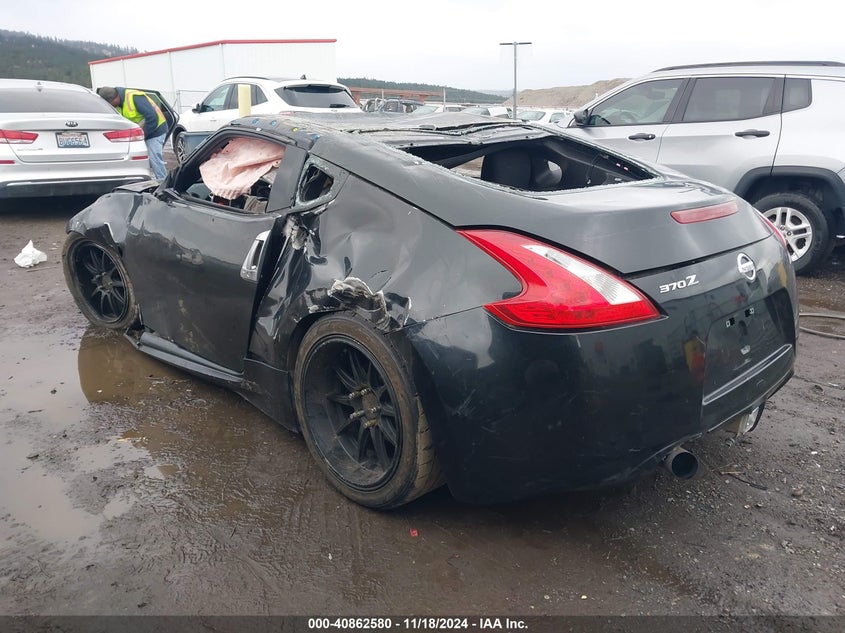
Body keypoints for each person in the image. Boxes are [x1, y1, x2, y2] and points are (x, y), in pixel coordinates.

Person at [97, 86, 169, 180]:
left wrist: (141, 136)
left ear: (114, 98)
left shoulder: (134, 97)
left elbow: (152, 118)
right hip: (139, 133)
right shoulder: (118, 105)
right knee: (134, 157)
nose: (111, 106)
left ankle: (163, 181)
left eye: (110, 104)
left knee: (154, 157)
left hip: (156, 130)